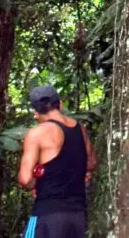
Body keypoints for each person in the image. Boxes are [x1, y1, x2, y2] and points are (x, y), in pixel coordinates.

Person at [19, 85, 97, 238]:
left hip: (47, 214)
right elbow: (91, 163)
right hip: (77, 216)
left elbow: (25, 179)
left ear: (35, 112)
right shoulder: (80, 129)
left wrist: (35, 183)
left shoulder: (37, 133)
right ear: (60, 104)